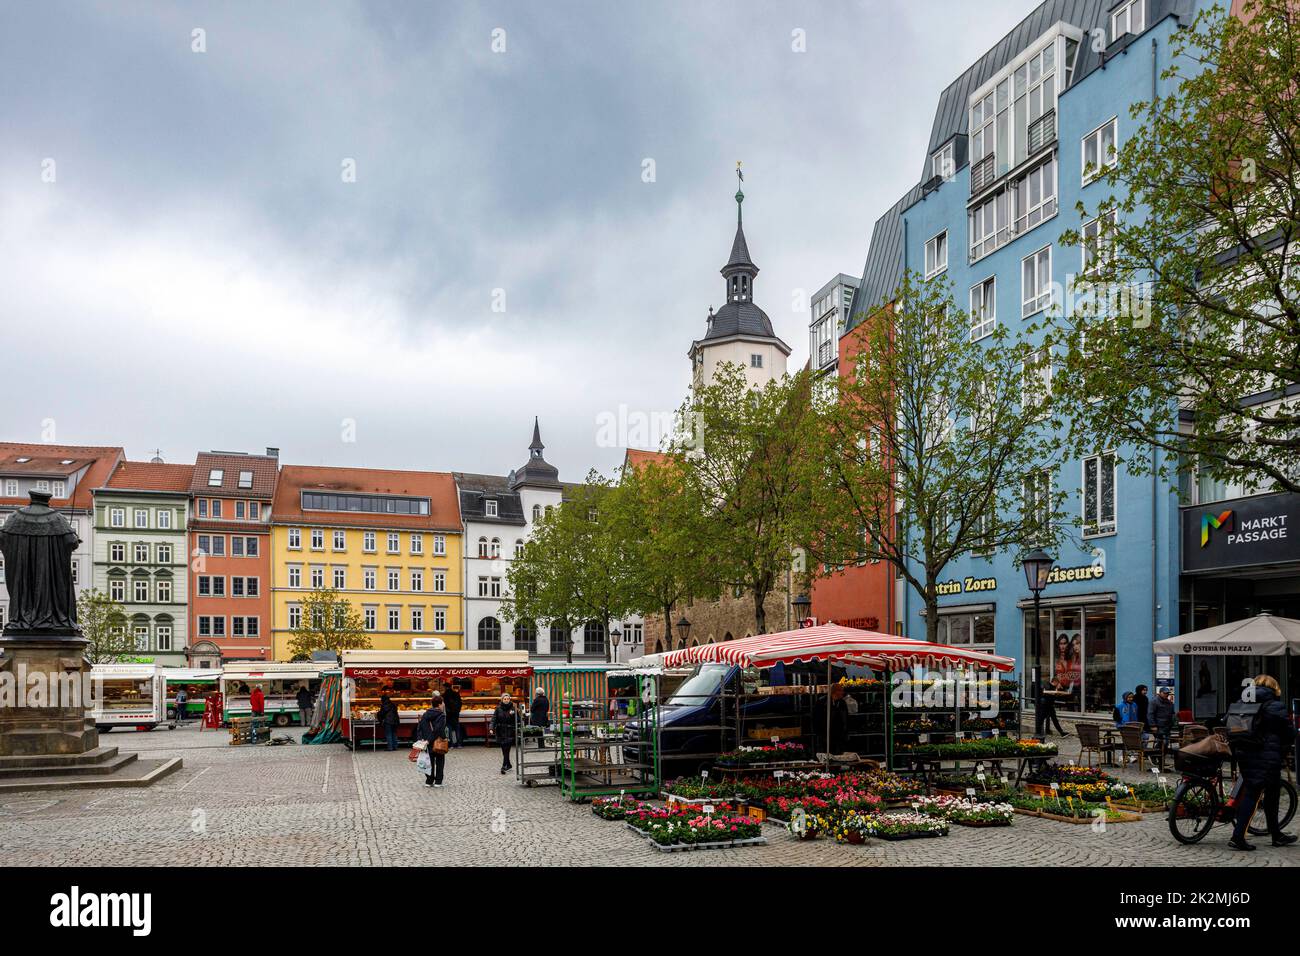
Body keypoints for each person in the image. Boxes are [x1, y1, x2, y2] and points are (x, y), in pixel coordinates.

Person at [1229, 675, 1297, 851]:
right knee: (1255, 794)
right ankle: (1238, 837)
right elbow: (1289, 733)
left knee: (1269, 794)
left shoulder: (1243, 701)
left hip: (1243, 752)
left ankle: (1276, 835)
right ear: (1274, 688)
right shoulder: (1275, 706)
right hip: (1266, 756)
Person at [417, 694, 447, 788]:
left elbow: (420, 727)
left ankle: (429, 781)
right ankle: (438, 781)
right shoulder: (441, 715)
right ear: (439, 704)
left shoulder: (426, 714)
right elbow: (438, 730)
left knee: (428, 761)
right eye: (442, 703)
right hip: (438, 741)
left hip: (426, 741)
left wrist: (423, 739)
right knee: (440, 761)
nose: (443, 705)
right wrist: (430, 740)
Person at [492, 693, 517, 774]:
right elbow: (494, 719)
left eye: (508, 699)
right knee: (504, 749)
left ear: (510, 699)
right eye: (505, 699)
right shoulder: (498, 708)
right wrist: (491, 728)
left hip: (510, 731)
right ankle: (508, 764)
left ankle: (503, 766)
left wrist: (514, 715)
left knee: (507, 749)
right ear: (502, 699)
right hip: (500, 731)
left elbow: (518, 720)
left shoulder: (513, 708)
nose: (506, 700)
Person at [443, 682, 463, 748]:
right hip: (456, 714)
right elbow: (460, 703)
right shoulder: (456, 693)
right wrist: (458, 711)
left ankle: (451, 744)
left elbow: (444, 704)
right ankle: (459, 744)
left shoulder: (445, 694)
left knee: (450, 729)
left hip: (449, 714)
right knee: (457, 728)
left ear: (445, 687)